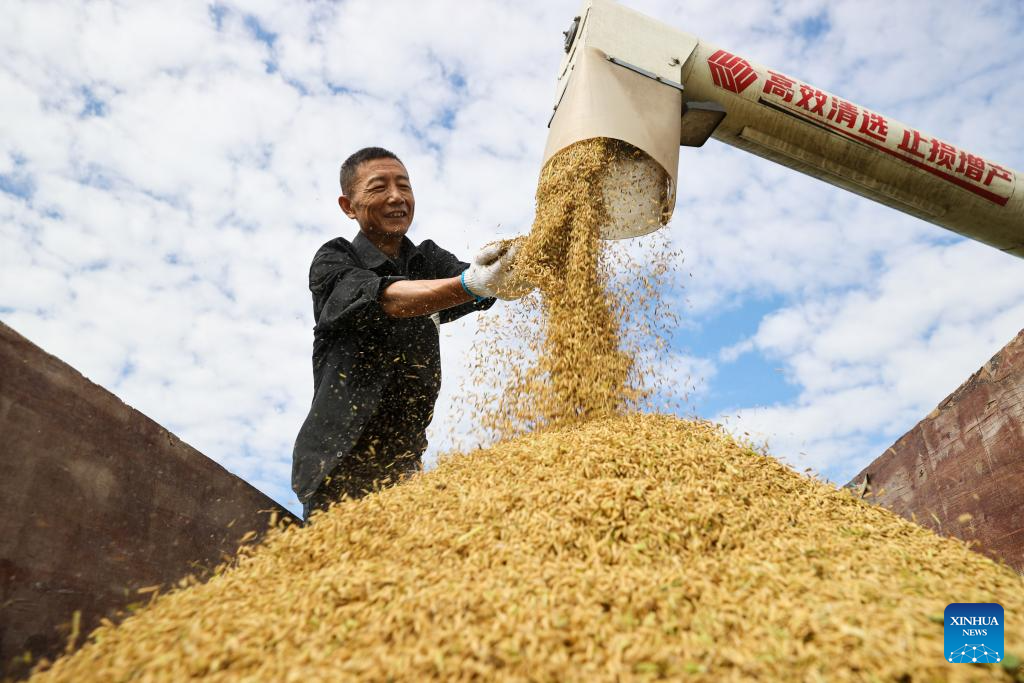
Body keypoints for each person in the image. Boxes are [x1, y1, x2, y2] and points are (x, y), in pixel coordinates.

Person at [292, 147, 530, 520]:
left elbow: (477, 285)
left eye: (404, 186)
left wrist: (518, 267)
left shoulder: (427, 259)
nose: (396, 197)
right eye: (378, 187)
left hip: (403, 466)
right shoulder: (334, 260)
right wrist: (472, 284)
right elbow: (387, 299)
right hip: (338, 463)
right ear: (348, 205)